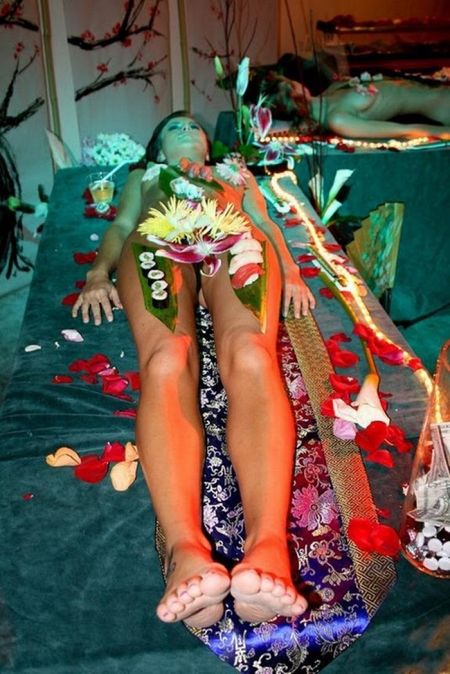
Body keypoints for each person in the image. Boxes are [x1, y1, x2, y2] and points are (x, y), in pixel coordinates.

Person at [72, 111, 315, 629]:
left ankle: (269, 547)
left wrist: (291, 271)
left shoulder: (234, 174)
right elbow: (122, 226)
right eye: (172, 128)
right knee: (166, 356)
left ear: (208, 143)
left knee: (251, 352)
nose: (185, 130)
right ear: (157, 148)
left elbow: (264, 224)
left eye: (193, 127)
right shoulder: (147, 176)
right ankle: (186, 551)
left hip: (234, 240)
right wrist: (97, 273)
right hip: (158, 239)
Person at [273, 74, 450, 140]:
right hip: (443, 108)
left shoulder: (329, 92)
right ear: (294, 97)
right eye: (290, 83)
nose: (294, 80)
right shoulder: (338, 120)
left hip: (438, 89)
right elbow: (405, 130)